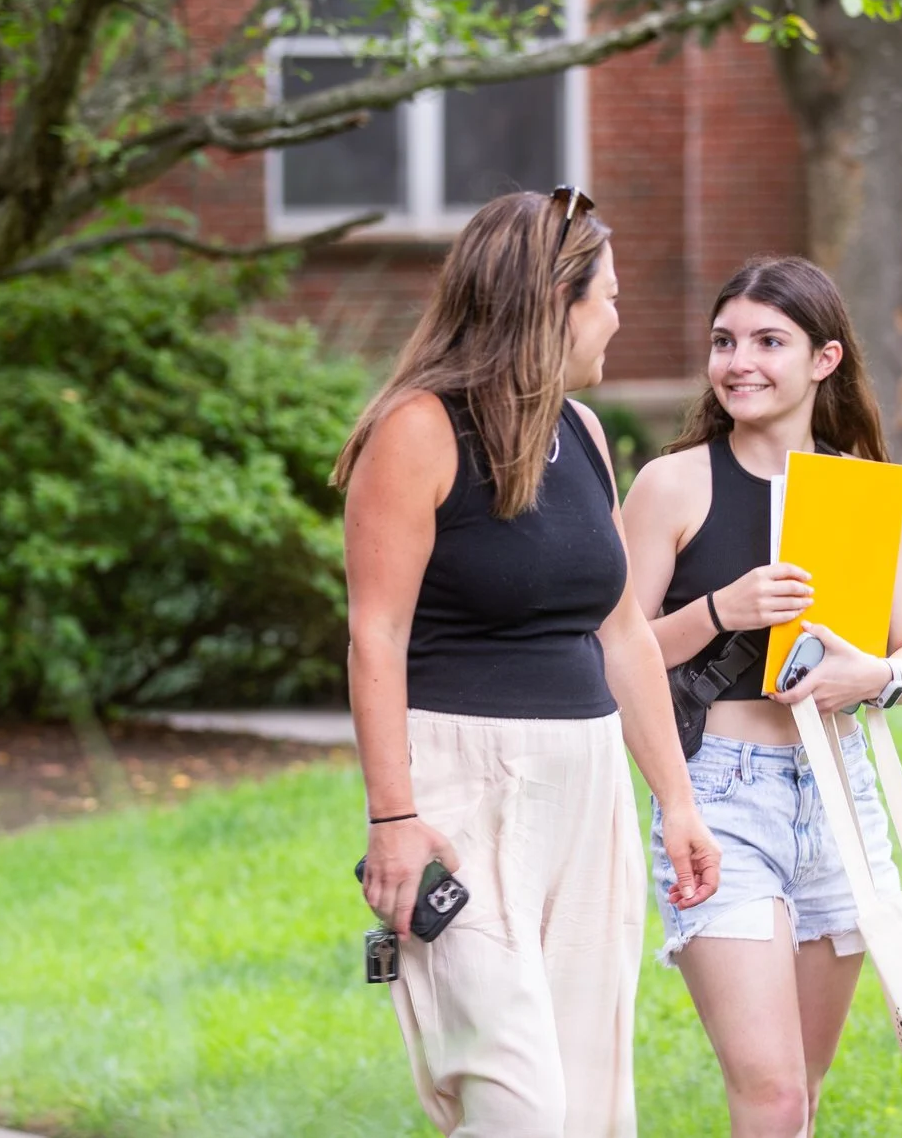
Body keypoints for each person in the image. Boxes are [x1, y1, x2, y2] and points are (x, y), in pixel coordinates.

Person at [337, 187, 722, 1138]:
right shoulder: (418, 429)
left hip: (586, 790)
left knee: (589, 1106)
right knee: (521, 1110)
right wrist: (394, 819)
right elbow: (374, 636)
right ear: (555, 303)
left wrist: (675, 801)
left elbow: (623, 631)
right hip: (461, 790)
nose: (618, 317)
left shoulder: (582, 433)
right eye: (610, 296)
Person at [619, 256, 902, 1138]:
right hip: (722, 795)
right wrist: (721, 609)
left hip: (842, 796)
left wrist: (871, 677)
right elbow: (608, 650)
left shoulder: (867, 494)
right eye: (724, 341)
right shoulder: (673, 484)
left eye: (769, 340)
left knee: (801, 1086)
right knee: (771, 1092)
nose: (738, 361)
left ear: (824, 360)